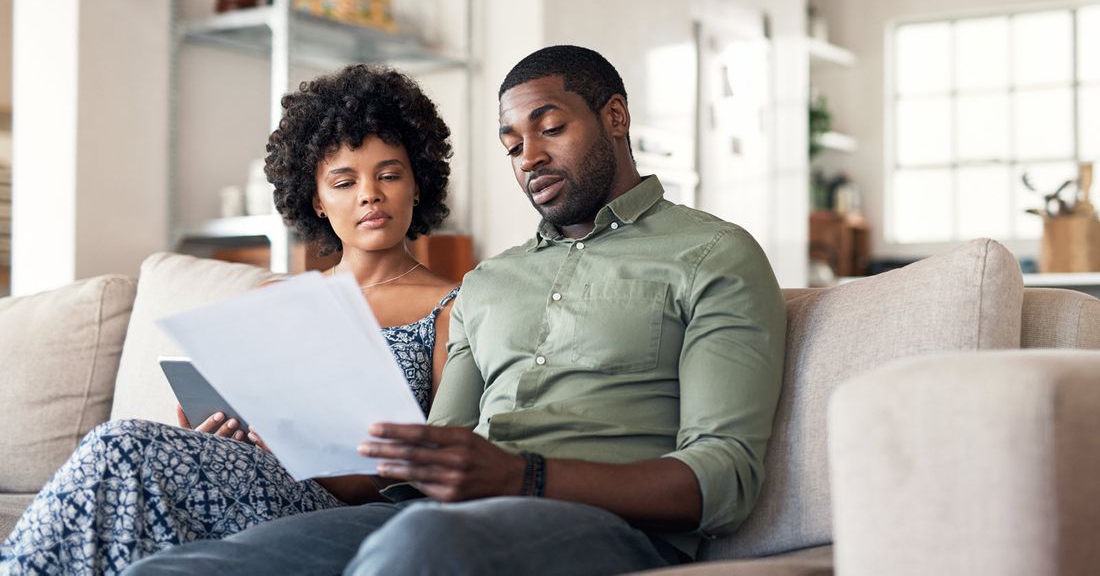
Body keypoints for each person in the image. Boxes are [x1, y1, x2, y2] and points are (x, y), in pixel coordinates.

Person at [122, 45, 788, 576]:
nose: (529, 156)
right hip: (445, 515)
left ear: (614, 117)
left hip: (610, 528)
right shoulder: (490, 283)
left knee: (419, 546)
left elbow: (724, 480)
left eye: (551, 127)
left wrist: (521, 474)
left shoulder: (712, 255)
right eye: (511, 144)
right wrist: (289, 441)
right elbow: (422, 471)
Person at [0, 65, 459, 575]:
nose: (369, 194)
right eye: (344, 181)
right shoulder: (279, 298)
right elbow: (243, 414)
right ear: (317, 202)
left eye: (389, 175)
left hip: (348, 509)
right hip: (254, 478)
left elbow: (434, 472)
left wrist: (305, 458)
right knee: (129, 482)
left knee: (122, 446)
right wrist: (217, 433)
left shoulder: (450, 308)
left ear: (418, 186)